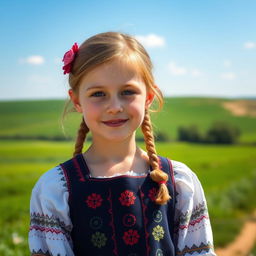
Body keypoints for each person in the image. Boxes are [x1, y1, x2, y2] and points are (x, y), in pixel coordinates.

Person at [28, 31, 216, 256]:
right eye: (98, 93)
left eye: (127, 91)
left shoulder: (178, 182)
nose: (115, 106)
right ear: (77, 101)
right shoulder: (55, 190)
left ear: (148, 97)